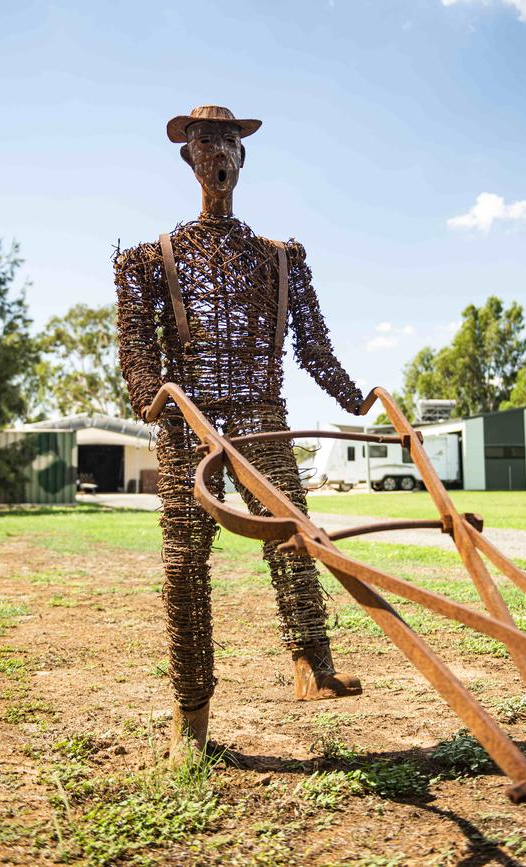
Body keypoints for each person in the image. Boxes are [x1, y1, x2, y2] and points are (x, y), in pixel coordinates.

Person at [114, 105, 364, 755]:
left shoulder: (280, 259)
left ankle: (312, 662)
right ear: (189, 160)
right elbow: (138, 350)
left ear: (242, 159)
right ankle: (190, 716)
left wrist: (356, 399)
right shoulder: (148, 260)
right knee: (185, 564)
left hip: (259, 414)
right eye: (205, 144)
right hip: (187, 421)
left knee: (293, 532)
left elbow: (312, 348)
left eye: (228, 143)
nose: (218, 154)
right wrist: (153, 397)